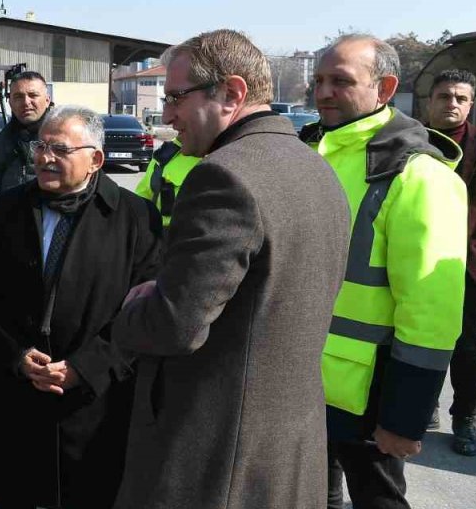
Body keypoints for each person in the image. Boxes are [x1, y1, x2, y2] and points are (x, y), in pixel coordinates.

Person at [111, 29, 351, 509]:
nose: (169, 114)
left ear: (232, 93)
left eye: (177, 97)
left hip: (216, 462)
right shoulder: (316, 166)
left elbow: (174, 326)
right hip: (286, 450)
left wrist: (132, 306)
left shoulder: (224, 176)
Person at [0, 105, 162, 509]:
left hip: (94, 400)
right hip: (19, 389)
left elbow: (142, 313)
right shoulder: (8, 208)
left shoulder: (135, 219)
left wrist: (84, 368)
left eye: (59, 149)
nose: (44, 158)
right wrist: (16, 354)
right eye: (41, 146)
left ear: (95, 159)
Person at [302, 34, 465, 509]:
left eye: (340, 81)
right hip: (299, 379)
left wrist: (405, 413)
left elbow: (430, 308)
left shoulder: (419, 175)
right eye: (318, 81)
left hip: (366, 394)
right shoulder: (308, 151)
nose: (323, 92)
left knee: (378, 500)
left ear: (385, 87)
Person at [424, 68, 476, 457]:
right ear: (430, 101)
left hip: (465, 267)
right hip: (411, 260)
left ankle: (465, 419)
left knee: (465, 346)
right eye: (444, 96)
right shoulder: (406, 142)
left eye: (460, 98)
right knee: (410, 340)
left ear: (471, 104)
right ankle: (423, 408)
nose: (452, 103)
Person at [0, 71, 52, 212]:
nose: (26, 102)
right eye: (18, 97)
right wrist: (5, 217)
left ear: (47, 100)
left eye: (33, 95)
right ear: (10, 102)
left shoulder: (63, 139)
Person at [133, 138, 199, 229]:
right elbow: (144, 194)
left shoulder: (219, 153)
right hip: (162, 232)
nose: (168, 123)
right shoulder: (167, 152)